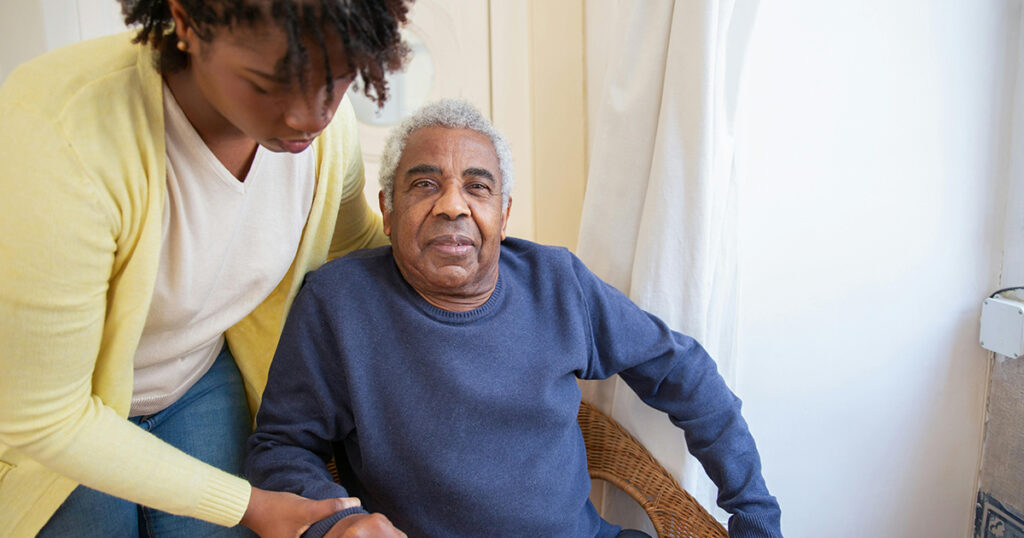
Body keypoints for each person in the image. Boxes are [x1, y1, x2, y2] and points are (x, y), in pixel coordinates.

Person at [245, 98, 784, 538]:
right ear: (386, 210)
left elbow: (683, 373)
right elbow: (281, 446)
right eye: (424, 184)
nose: (452, 206)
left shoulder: (557, 282)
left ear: (503, 215)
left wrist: (754, 513)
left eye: (477, 187)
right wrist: (337, 523)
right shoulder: (339, 303)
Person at [0, 0, 413, 536]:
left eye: (337, 80)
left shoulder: (326, 140)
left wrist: (505, 285)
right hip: (56, 415)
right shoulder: (60, 135)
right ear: (188, 23)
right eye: (268, 84)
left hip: (198, 375)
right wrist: (248, 505)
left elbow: (358, 248)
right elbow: (45, 417)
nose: (310, 116)